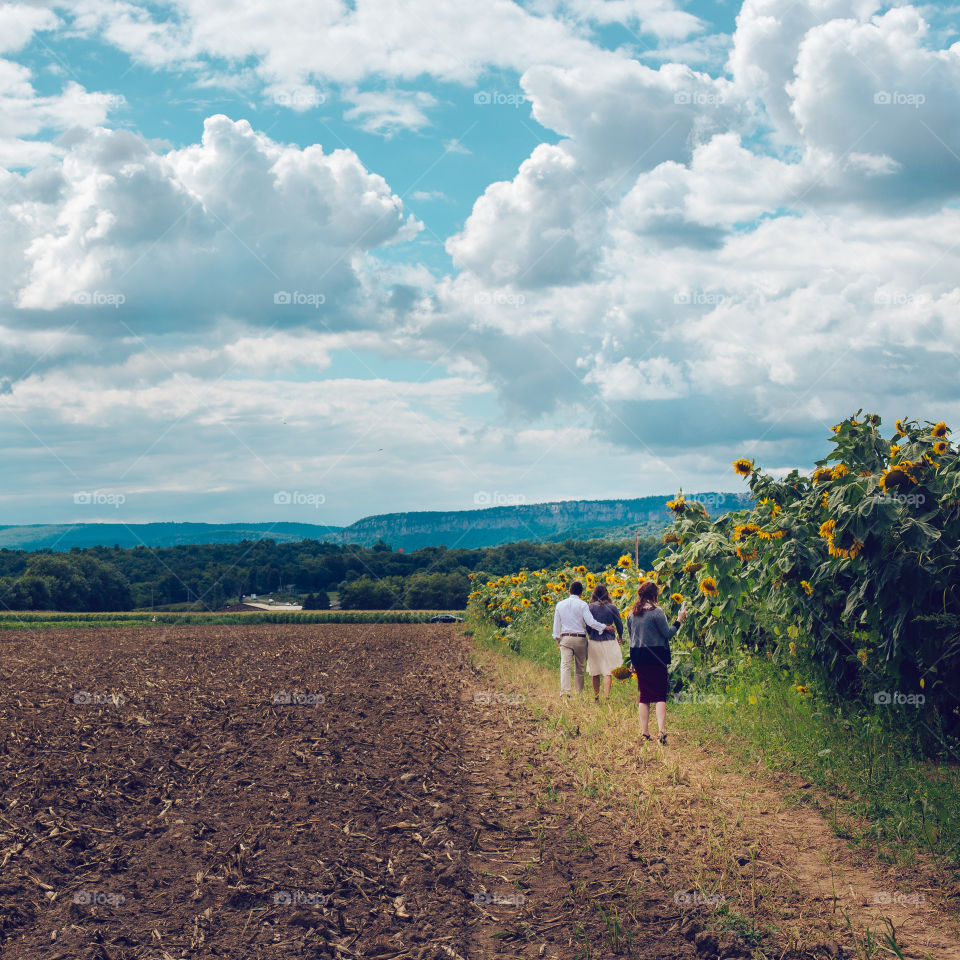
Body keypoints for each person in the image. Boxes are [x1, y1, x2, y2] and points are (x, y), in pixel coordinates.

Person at [626, 581, 686, 744]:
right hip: (656, 656)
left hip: (639, 656)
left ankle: (645, 733)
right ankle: (661, 731)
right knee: (660, 695)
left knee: (644, 696)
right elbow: (667, 634)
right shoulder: (656, 612)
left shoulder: (631, 613)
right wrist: (679, 620)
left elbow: (631, 639)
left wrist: (633, 660)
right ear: (654, 595)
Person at [552, 580, 615, 696]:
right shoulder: (583, 605)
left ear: (569, 591)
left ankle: (565, 692)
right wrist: (605, 627)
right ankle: (578, 693)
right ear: (581, 593)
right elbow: (591, 622)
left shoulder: (560, 605)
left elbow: (556, 624)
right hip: (580, 639)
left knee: (565, 666)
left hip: (565, 638)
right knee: (580, 668)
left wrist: (557, 637)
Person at [585, 584, 624, 702]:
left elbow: (587, 624)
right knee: (608, 671)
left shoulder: (590, 607)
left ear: (594, 594)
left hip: (594, 640)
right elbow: (619, 624)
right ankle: (606, 696)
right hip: (609, 641)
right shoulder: (612, 607)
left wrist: (590, 633)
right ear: (607, 594)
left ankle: (596, 697)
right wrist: (620, 636)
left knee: (595, 671)